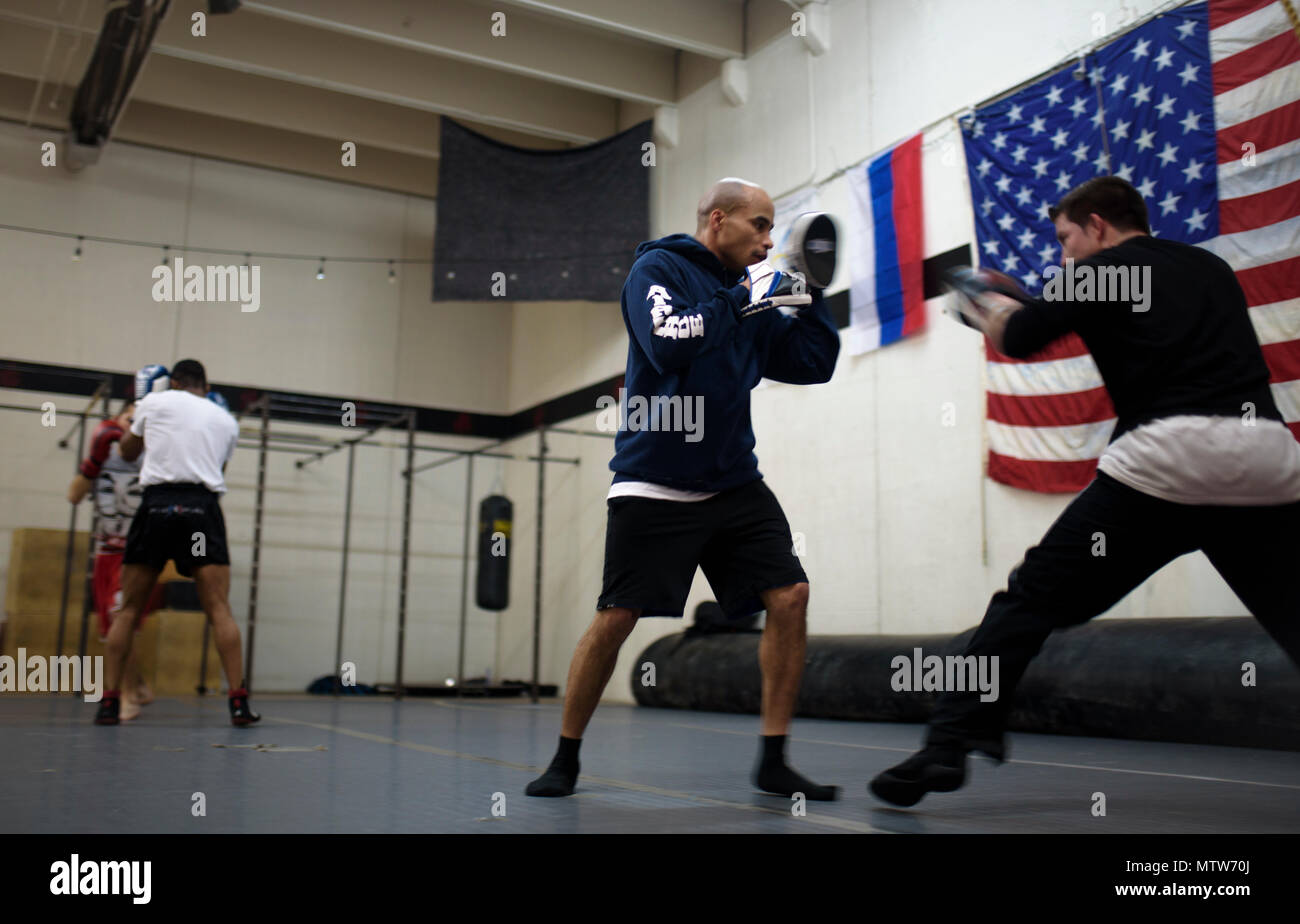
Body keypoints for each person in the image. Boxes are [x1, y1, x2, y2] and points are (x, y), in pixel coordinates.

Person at [871, 176, 1300, 806]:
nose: (1065, 256)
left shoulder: (1098, 271)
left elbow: (1019, 337)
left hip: (1166, 465)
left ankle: (949, 742)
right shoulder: (1210, 265)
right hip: (1267, 460)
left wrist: (977, 302)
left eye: (1067, 239)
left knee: (1028, 602)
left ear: (1098, 226)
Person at [526, 178, 841, 798]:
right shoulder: (657, 270)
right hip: (654, 482)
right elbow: (670, 344)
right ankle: (565, 756)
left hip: (732, 482)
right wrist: (747, 298)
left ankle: (773, 758)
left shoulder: (748, 297)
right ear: (718, 220)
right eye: (758, 225)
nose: (768, 240)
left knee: (791, 595)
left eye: (774, 230)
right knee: (617, 618)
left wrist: (813, 293)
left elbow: (814, 363)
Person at [93, 359, 258, 726]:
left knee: (129, 609)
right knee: (218, 608)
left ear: (175, 381)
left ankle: (108, 702)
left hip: (157, 509)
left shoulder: (156, 401)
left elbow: (126, 452)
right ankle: (238, 703)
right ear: (204, 383)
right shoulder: (226, 420)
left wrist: (145, 411)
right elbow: (217, 471)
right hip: (200, 513)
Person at [67, 399, 162, 720]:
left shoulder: (153, 457)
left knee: (122, 618)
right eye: (129, 418)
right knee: (111, 629)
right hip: (105, 551)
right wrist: (93, 461)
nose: (133, 425)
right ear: (117, 419)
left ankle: (125, 696)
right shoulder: (103, 449)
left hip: (137, 553)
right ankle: (139, 686)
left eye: (140, 421)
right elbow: (74, 496)